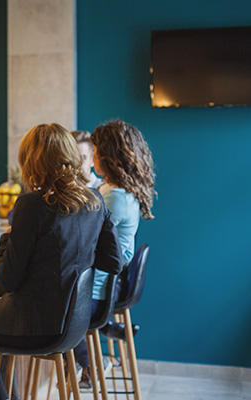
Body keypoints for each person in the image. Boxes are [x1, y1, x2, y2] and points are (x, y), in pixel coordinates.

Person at [0, 123, 123, 400]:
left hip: (38, 324)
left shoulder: (32, 205)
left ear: (32, 161)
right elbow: (114, 262)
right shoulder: (95, 200)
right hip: (72, 324)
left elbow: (8, 282)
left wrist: (6, 238)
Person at [74, 120, 156, 391]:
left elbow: (83, 242)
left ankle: (90, 366)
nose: (93, 156)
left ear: (107, 157)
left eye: (95, 150)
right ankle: (94, 356)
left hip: (94, 295)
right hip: (104, 289)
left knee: (48, 302)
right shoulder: (119, 192)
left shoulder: (112, 197)